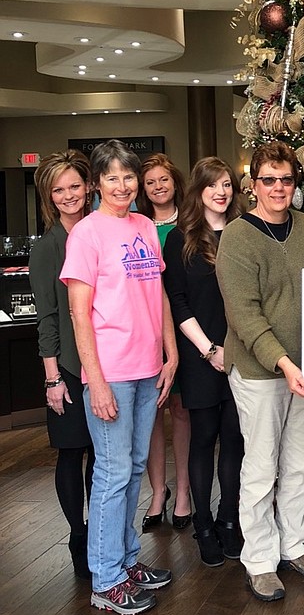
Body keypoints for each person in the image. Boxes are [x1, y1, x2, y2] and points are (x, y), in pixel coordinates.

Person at [61, 139, 178, 615]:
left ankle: (127, 562)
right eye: (111, 178)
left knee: (132, 470)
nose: (123, 186)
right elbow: (78, 314)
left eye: (128, 177)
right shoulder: (86, 235)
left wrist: (170, 353)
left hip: (148, 368)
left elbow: (160, 294)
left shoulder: (146, 226)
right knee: (111, 475)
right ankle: (105, 580)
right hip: (110, 372)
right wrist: (97, 380)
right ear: (96, 184)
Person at [216, 141, 304, 602]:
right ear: (253, 184)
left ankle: (294, 544)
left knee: (300, 463)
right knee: (261, 467)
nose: (278, 188)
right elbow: (245, 316)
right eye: (269, 180)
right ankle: (260, 559)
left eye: (286, 179)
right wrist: (284, 363)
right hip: (263, 373)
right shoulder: (237, 237)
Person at [163, 157, 245, 568]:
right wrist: (210, 350)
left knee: (235, 440)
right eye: (213, 185)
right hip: (202, 354)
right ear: (198, 191)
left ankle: (230, 521)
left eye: (227, 184)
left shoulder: (244, 231)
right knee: (203, 439)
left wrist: (235, 349)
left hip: (244, 353)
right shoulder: (181, 239)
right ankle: (205, 525)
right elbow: (177, 300)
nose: (221, 192)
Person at [29, 150, 96, 579]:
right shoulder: (49, 247)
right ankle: (78, 536)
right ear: (49, 198)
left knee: (103, 458)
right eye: (59, 190)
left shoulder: (100, 233)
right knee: (72, 453)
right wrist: (53, 379)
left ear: (89, 187)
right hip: (69, 368)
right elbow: (48, 318)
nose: (69, 195)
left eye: (75, 186)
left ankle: (103, 534)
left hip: (107, 364)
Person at [138, 153, 191, 530]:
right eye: (150, 182)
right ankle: (158, 492)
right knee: (151, 412)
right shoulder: (137, 225)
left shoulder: (190, 222)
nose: (158, 186)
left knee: (181, 409)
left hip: (185, 325)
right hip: (146, 326)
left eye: (163, 179)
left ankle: (184, 490)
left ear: (175, 182)